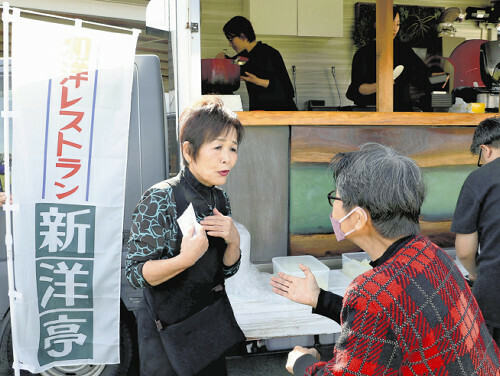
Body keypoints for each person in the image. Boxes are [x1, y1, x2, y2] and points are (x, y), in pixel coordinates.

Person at [270, 143, 500, 375]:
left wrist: (301, 363)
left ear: (358, 218)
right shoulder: (431, 254)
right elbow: (390, 321)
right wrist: (318, 298)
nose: (333, 211)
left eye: (336, 200)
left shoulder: (372, 292)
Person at [126, 97, 245, 375]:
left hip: (208, 326)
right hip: (168, 333)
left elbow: (226, 269)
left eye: (232, 148)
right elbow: (135, 273)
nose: (227, 157)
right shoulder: (160, 198)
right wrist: (185, 259)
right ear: (189, 151)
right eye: (217, 147)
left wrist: (234, 240)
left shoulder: (219, 196)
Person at [451, 117, 500, 347]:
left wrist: (475, 274)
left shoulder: (479, 180)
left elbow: (465, 251)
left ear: (485, 150)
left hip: (495, 297)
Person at [346, 8, 431, 111]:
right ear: (376, 24)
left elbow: (424, 73)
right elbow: (359, 88)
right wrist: (381, 85)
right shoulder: (363, 54)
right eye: (391, 23)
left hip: (403, 112)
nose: (395, 28)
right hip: (372, 112)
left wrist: (441, 77)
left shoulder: (405, 51)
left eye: (397, 24)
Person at [216, 16, 298, 111]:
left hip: (282, 115)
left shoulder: (270, 53)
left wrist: (257, 81)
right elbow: (229, 64)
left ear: (242, 36)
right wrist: (221, 57)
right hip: (259, 116)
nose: (230, 44)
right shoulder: (243, 58)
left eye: (231, 40)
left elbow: (287, 90)